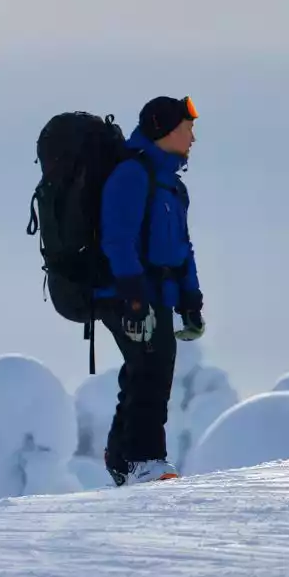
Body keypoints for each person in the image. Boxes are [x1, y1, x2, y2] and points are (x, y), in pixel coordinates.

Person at [97, 95, 205, 485]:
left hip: (157, 293)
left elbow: (181, 247)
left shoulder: (171, 186)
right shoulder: (132, 175)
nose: (193, 137)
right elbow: (117, 239)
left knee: (147, 369)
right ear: (165, 130)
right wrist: (134, 295)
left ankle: (125, 457)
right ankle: (144, 460)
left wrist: (191, 300)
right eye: (187, 128)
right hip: (128, 294)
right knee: (150, 370)